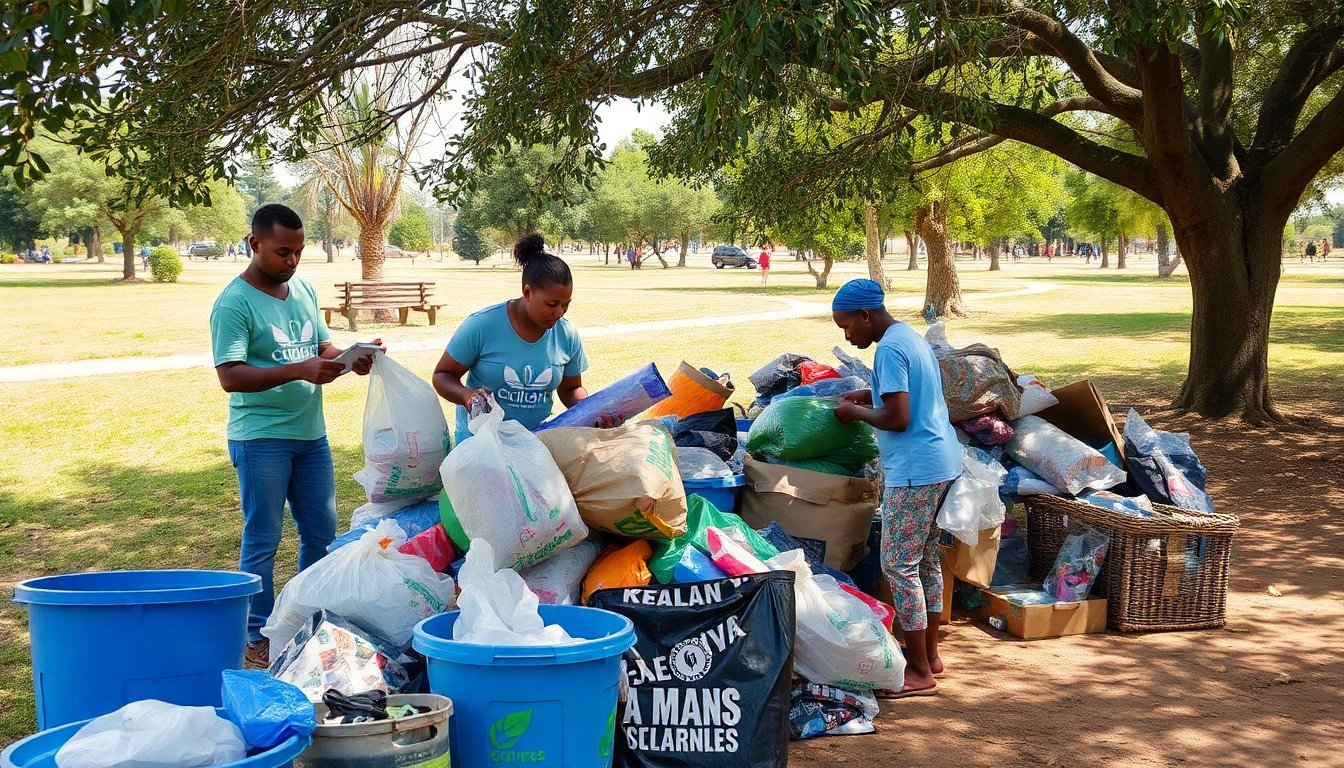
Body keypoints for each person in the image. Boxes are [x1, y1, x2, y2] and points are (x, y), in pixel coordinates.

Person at [209, 203, 380, 666]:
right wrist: (299, 370)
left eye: (299, 251)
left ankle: (306, 620)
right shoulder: (234, 302)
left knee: (321, 534)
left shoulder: (302, 289)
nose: (292, 261)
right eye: (283, 251)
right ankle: (257, 634)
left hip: (311, 435)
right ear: (255, 244)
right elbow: (231, 375)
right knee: (262, 537)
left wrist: (350, 356)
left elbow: (321, 347)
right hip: (261, 436)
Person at [831, 279, 961, 700]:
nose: (846, 336)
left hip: (913, 469)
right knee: (924, 560)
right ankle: (931, 654)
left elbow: (899, 417)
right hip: (941, 462)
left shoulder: (887, 348)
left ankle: (920, 671)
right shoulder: (907, 336)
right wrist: (870, 393)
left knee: (898, 566)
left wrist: (855, 412)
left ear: (866, 316)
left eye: (846, 326)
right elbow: (913, 392)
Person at [433, 232, 614, 444]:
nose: (560, 313)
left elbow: (570, 389)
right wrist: (467, 396)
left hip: (535, 443)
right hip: (482, 445)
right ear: (527, 293)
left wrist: (595, 410)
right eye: (552, 304)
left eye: (566, 304)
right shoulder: (482, 325)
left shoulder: (567, 334)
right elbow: (442, 375)